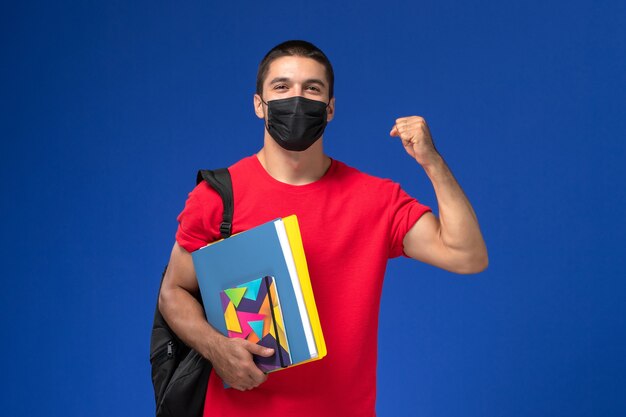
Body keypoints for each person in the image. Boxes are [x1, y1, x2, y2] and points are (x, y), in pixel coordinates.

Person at [158, 40, 488, 417]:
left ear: (329, 109)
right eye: (281, 87)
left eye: (312, 89)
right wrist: (215, 347)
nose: (296, 99)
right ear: (258, 104)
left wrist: (432, 162)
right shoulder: (218, 196)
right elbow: (173, 292)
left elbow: (467, 255)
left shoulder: (376, 199)